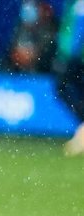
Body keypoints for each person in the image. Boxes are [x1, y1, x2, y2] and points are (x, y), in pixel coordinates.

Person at [53, 0, 84, 156]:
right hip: (73, 56)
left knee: (63, 88)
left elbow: (77, 30)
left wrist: (68, 58)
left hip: (75, 58)